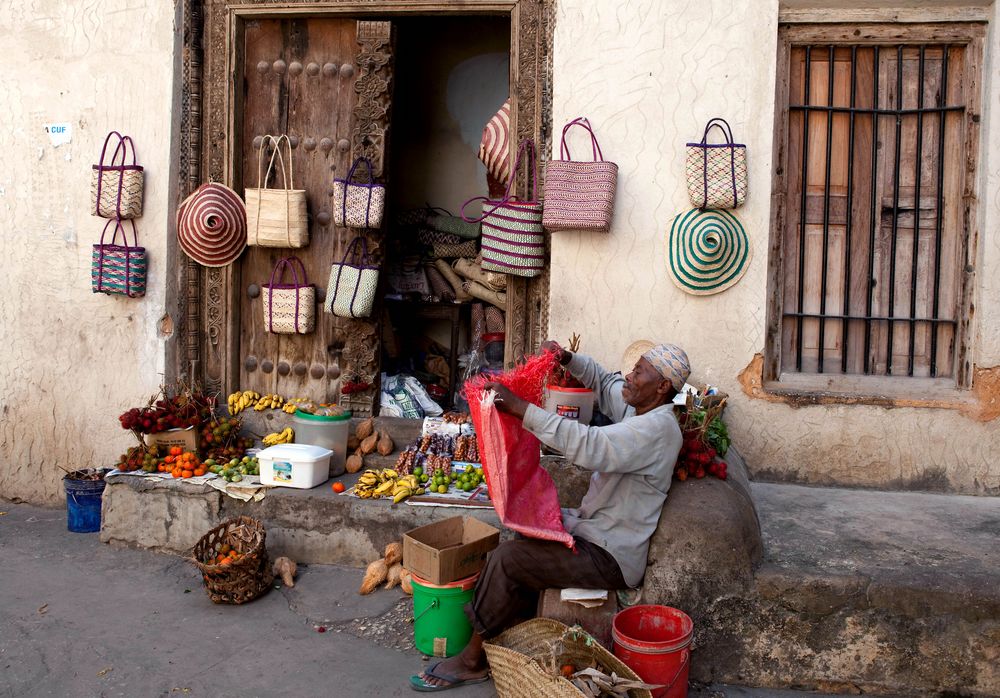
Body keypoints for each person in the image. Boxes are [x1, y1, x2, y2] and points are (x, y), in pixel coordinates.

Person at [410, 340, 690, 692]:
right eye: (633, 369)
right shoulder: (642, 408)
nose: (630, 377)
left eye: (639, 372)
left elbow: (591, 446)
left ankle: (471, 660)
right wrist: (568, 359)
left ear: (662, 386)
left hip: (610, 555)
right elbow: (606, 384)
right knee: (523, 535)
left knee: (509, 560)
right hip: (594, 533)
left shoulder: (657, 430)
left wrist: (522, 409)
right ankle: (507, 638)